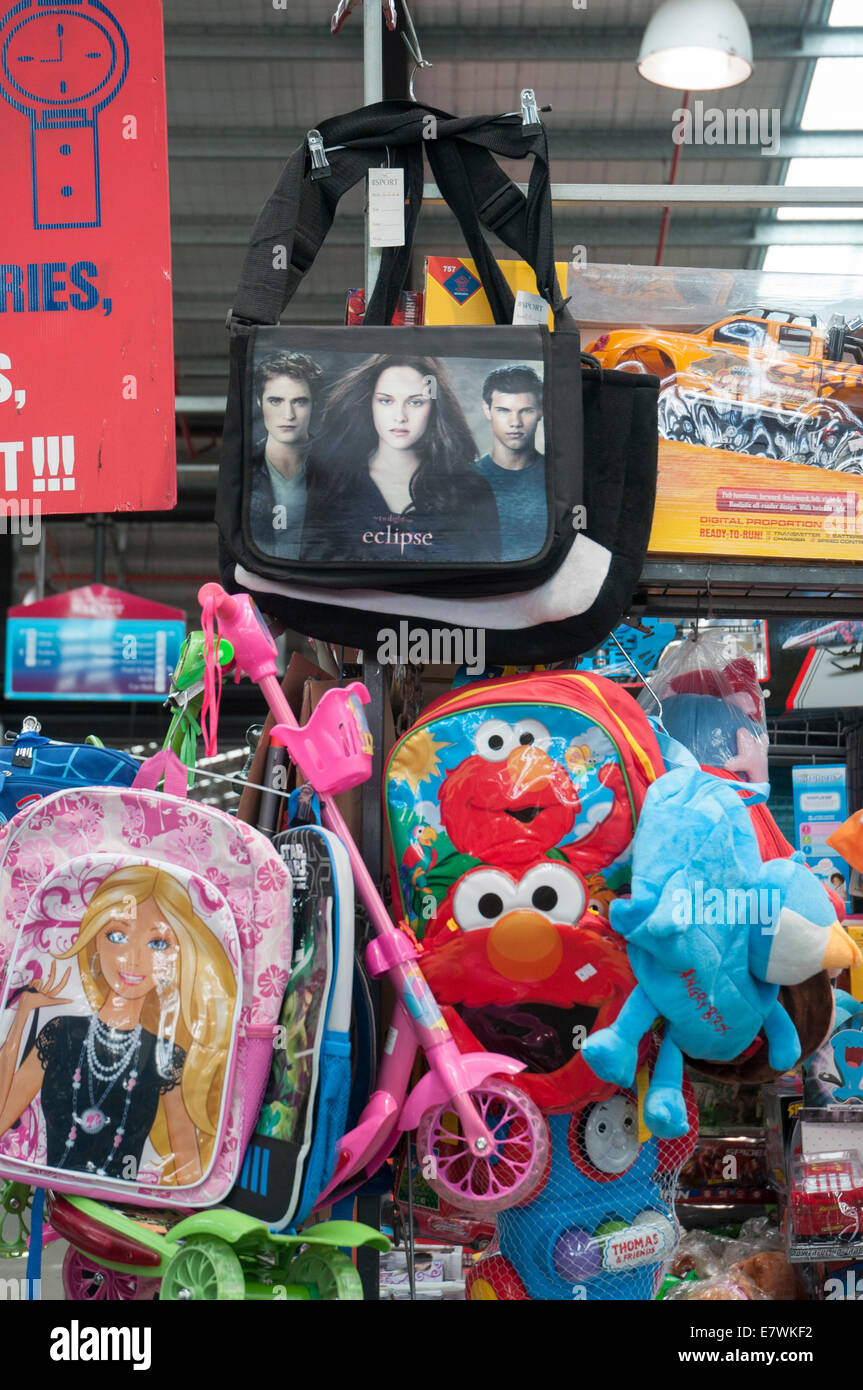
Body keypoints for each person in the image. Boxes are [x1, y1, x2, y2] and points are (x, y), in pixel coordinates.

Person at [0, 865, 236, 1186]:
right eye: (117, 936)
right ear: (95, 941)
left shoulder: (165, 1055)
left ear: (176, 957)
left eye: (157, 943)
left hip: (125, 1211)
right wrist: (22, 1015)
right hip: (51, 1195)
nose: (134, 959)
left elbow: (188, 1168)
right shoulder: (60, 1034)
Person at [301, 354, 500, 563]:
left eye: (415, 402)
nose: (400, 416)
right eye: (386, 400)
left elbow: (485, 576)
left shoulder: (470, 488)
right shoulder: (331, 481)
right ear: (369, 404)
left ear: (433, 407)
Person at [249, 351, 323, 559]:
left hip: (320, 587)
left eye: (299, 402)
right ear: (259, 402)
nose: (288, 415)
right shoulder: (243, 467)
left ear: (313, 404)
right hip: (260, 585)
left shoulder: (337, 469)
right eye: (275, 401)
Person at [475, 365, 547, 562]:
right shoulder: (463, 480)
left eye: (526, 411)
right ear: (487, 410)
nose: (515, 422)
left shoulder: (559, 477)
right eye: (503, 410)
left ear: (541, 411)